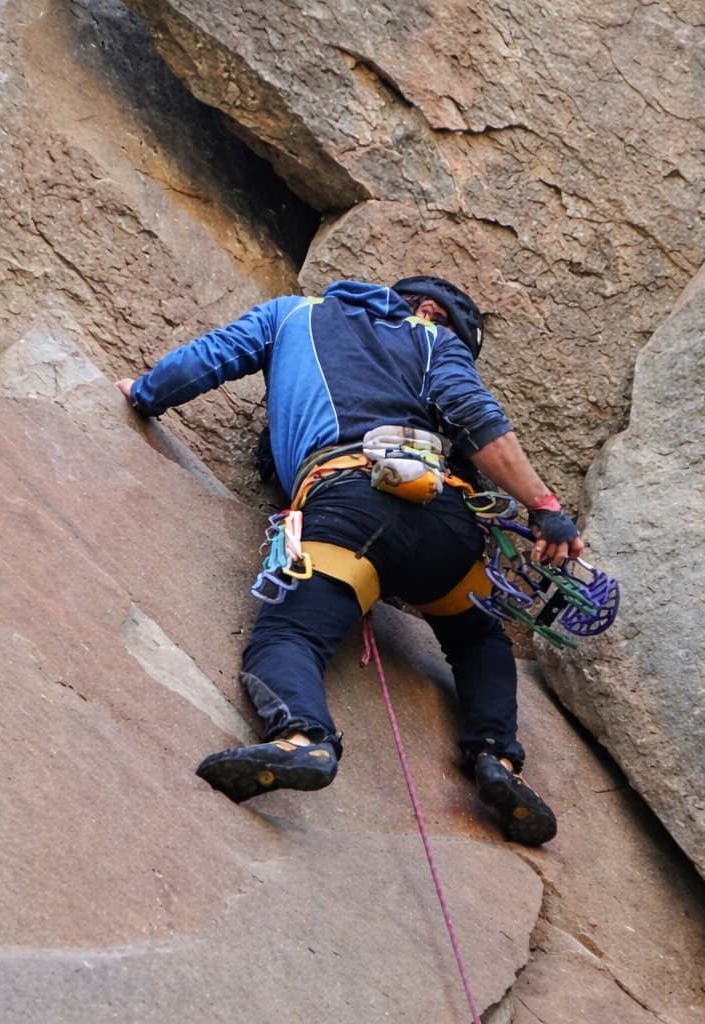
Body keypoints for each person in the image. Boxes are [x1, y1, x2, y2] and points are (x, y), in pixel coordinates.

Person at [116, 276, 583, 845]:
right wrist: (544, 508)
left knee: (288, 634)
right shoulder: (437, 341)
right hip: (447, 520)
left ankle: (303, 737)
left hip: (349, 506)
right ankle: (496, 758)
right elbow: (471, 413)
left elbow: (212, 357)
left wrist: (143, 393)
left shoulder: (292, 314)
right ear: (432, 312)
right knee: (480, 637)